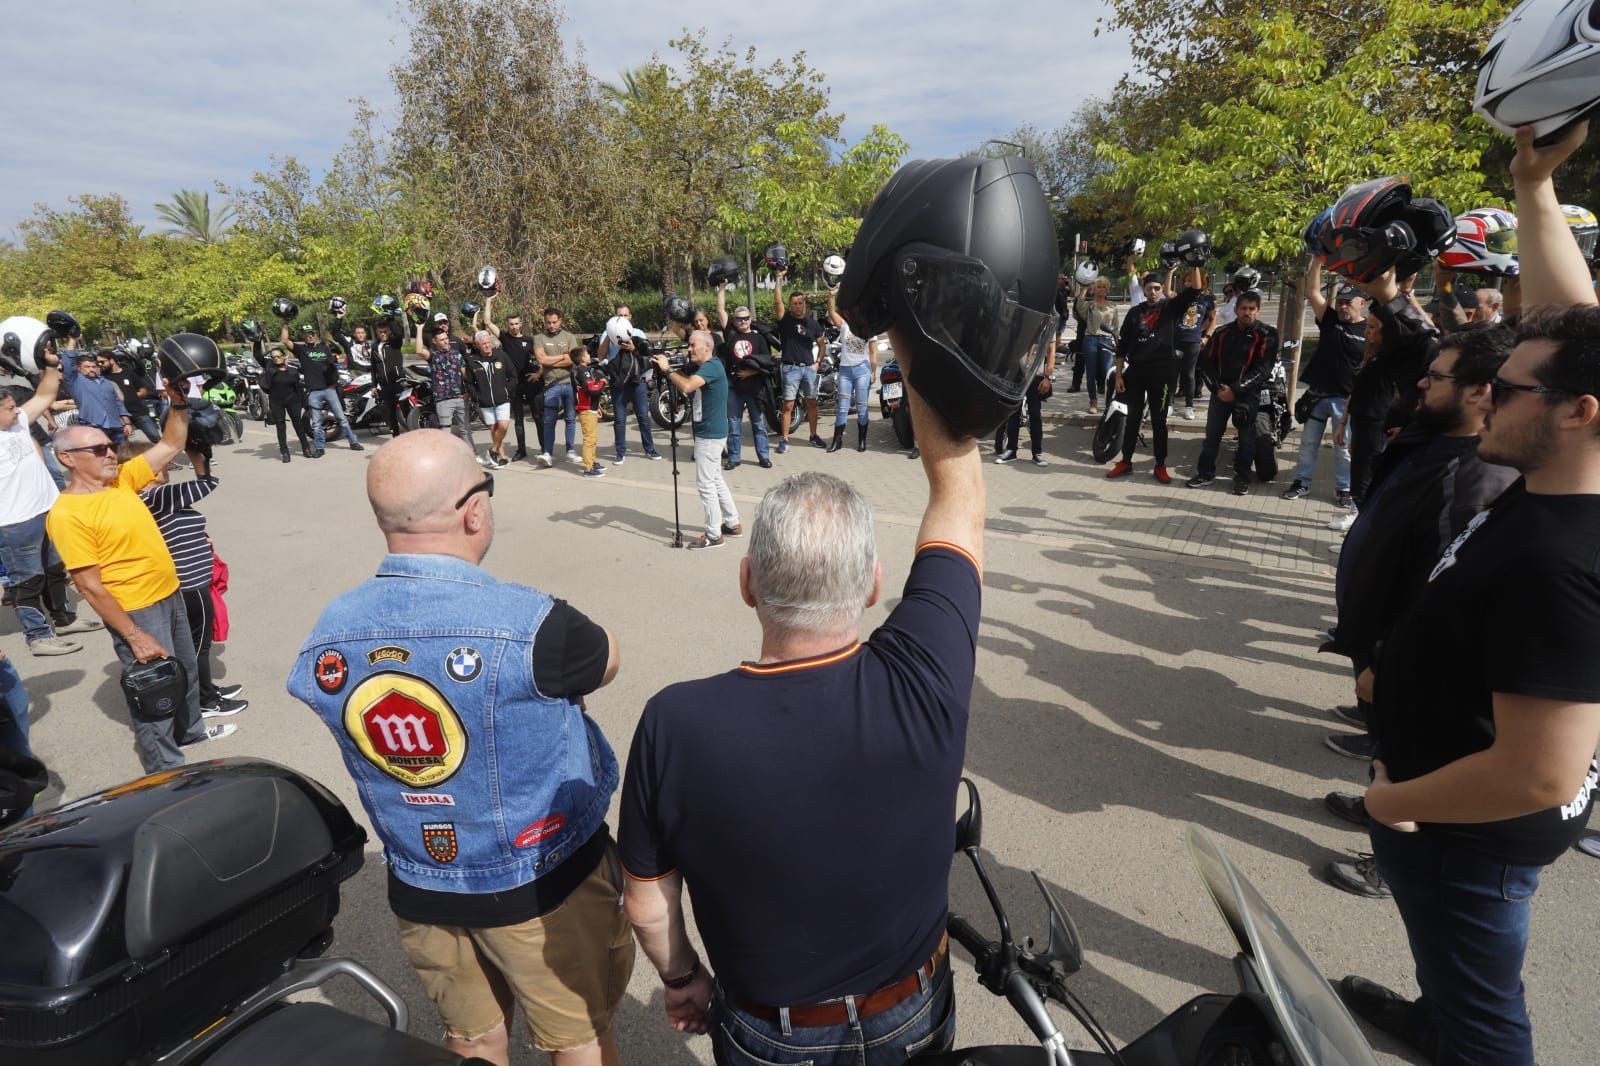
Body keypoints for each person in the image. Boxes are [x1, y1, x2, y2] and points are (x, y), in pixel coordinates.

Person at [619, 334, 983, 1066]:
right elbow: (959, 498)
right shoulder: (925, 674)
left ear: (747, 581)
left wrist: (683, 978)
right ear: (876, 583)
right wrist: (914, 347)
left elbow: (646, 899)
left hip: (767, 1030)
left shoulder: (674, 722)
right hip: (912, 1009)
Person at [1337, 123, 1600, 1066]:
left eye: (1512, 388)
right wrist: (1534, 188)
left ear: (1578, 413)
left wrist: (1395, 801)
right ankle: (1431, 1014)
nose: (1491, 396)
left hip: (1470, 838)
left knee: (1490, 1022)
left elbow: (1543, 773)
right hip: (1450, 807)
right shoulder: (1567, 472)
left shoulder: (1561, 563)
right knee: (1453, 976)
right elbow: (1575, 323)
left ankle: (1457, 1031)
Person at [287, 429, 632, 1066]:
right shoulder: (533, 622)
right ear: (474, 510)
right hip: (540, 879)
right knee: (578, 1036)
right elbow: (606, 658)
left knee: (472, 1041)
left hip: (422, 878)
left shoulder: (329, 629)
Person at [1318, 326, 1520, 894]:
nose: (1421, 384)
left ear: (1481, 393)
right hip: (1381, 643)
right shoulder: (1435, 441)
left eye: (1436, 378)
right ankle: (1383, 806)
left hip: (1404, 659)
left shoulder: (1476, 476)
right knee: (1391, 755)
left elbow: (1436, 594)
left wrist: (1384, 659)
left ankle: (1396, 859)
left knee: (1414, 760)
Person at [47, 379, 237, 772]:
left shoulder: (120, 481)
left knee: (182, 670)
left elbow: (170, 445)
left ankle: (191, 731)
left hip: (170, 592)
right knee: (155, 689)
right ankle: (163, 768)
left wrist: (178, 402)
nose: (110, 453)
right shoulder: (68, 514)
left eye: (110, 445)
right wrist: (134, 635)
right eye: (98, 449)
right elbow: (88, 585)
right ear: (67, 459)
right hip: (137, 610)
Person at [120, 439, 248, 719]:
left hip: (190, 579)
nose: (164, 465)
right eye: (157, 462)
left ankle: (207, 691)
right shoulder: (153, 496)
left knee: (195, 643)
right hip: (189, 582)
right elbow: (207, 483)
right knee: (197, 646)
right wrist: (196, 453)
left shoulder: (148, 497)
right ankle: (205, 700)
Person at [1, 345, 100, 656]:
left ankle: (64, 619)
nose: (16, 410)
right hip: (15, 523)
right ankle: (38, 636)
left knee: (55, 569)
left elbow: (44, 395)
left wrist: (48, 365)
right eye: (7, 407)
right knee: (27, 580)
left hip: (48, 511)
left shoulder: (17, 424)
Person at [1329, 269, 1439, 532]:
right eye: (1367, 327)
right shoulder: (1373, 357)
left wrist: (1402, 295)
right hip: (1362, 422)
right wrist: (1344, 421)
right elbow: (1357, 391)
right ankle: (1358, 522)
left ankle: (1363, 526)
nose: (1367, 332)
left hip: (1379, 425)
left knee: (1369, 478)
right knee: (1360, 475)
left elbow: (1426, 336)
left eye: (1372, 328)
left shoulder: (1395, 357)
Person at [1107, 266, 1205, 482]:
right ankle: (1125, 462)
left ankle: (1160, 465)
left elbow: (1196, 290)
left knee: (1159, 421)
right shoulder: (1135, 313)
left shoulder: (1171, 308)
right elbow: (1122, 346)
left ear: (1162, 289)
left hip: (1162, 374)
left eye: (1157, 288)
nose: (1153, 292)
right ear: (1143, 289)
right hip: (1136, 373)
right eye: (1149, 288)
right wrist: (1119, 375)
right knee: (1132, 419)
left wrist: (1195, 263)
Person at [1282, 263, 1365, 502]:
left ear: (1362, 302)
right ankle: (1301, 482)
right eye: (1340, 301)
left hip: (1345, 399)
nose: (1343, 305)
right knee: (1308, 443)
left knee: (1343, 447)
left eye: (1349, 301)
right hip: (1317, 395)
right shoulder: (1330, 320)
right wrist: (1317, 261)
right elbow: (1313, 293)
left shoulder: (1369, 329)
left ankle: (1344, 489)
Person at [1185, 289, 1279, 495]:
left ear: (1258, 311)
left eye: (1252, 309)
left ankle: (1242, 476)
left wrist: (1236, 391)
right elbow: (1206, 363)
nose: (1247, 312)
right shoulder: (1221, 332)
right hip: (1220, 392)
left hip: (1248, 394)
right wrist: (1218, 389)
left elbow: (1264, 369)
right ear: (1235, 310)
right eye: (1243, 308)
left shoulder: (1267, 334)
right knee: (1212, 436)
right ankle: (1205, 473)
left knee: (1246, 438)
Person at [651, 330, 738, 549]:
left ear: (707, 347)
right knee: (715, 478)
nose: (689, 349)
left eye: (692, 345)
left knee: (706, 484)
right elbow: (686, 380)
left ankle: (714, 534)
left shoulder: (711, 367)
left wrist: (667, 369)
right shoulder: (709, 366)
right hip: (712, 432)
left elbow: (687, 386)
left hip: (709, 435)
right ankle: (732, 522)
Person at [284, 321, 362, 455]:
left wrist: (333, 383)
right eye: (307, 334)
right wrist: (285, 324)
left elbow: (332, 366)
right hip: (313, 391)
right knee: (316, 423)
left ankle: (353, 442)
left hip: (329, 389)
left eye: (311, 333)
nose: (310, 336)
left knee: (341, 418)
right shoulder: (302, 350)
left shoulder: (324, 348)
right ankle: (319, 448)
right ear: (303, 336)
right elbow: (285, 340)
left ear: (315, 335)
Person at [772, 271, 827, 452]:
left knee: (811, 403)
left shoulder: (813, 324)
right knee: (788, 404)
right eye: (794, 304)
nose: (798, 306)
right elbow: (777, 302)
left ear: (805, 304)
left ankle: (813, 436)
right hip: (790, 368)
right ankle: (785, 440)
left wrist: (818, 362)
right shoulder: (785, 320)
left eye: (800, 303)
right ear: (790, 306)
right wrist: (779, 279)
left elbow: (821, 344)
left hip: (808, 369)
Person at [597, 312, 660, 464]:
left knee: (643, 416)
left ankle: (649, 449)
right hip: (618, 381)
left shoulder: (638, 333)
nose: (623, 317)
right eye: (620, 314)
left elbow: (646, 355)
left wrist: (633, 348)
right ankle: (620, 452)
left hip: (637, 380)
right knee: (619, 418)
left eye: (625, 314)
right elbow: (600, 356)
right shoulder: (608, 332)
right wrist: (609, 335)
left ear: (630, 316)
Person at [718, 300, 775, 470]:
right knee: (734, 424)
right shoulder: (731, 336)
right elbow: (720, 310)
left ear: (750, 319)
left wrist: (752, 372)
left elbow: (768, 362)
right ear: (734, 321)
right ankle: (734, 457)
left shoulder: (759, 338)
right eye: (739, 319)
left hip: (754, 388)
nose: (742, 321)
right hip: (734, 387)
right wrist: (721, 287)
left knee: (758, 423)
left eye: (746, 318)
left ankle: (763, 456)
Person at [481, 296, 536, 459]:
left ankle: (545, 449)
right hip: (514, 384)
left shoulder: (530, 340)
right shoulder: (505, 338)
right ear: (508, 325)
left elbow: (540, 358)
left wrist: (538, 373)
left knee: (538, 416)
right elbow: (487, 321)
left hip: (530, 382)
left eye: (516, 324)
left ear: (521, 324)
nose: (514, 327)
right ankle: (521, 450)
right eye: (511, 324)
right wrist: (489, 300)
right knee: (518, 419)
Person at [825, 285, 877, 453]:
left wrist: (874, 371)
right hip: (845, 372)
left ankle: (862, 441)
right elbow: (832, 313)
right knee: (842, 407)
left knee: (862, 407)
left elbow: (873, 351)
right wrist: (832, 296)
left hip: (862, 370)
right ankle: (837, 441)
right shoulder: (845, 325)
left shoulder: (869, 327)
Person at [414, 317, 477, 452]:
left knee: (465, 429)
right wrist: (419, 329)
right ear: (434, 342)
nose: (445, 341)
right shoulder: (433, 356)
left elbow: (464, 374)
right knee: (445, 431)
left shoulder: (457, 354)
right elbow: (419, 350)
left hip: (460, 397)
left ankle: (472, 454)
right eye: (442, 340)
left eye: (446, 338)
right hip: (443, 399)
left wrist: (468, 391)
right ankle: (447, 457)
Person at [994, 335, 1056, 465]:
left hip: (1036, 375)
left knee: (1035, 414)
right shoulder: (1023, 315)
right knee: (1013, 413)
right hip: (1016, 373)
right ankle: (1011, 450)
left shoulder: (1049, 321)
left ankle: (1037, 453)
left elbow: (1051, 350)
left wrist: (1047, 378)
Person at [533, 307, 580, 467]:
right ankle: (547, 453)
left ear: (560, 320)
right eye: (548, 322)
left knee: (571, 419)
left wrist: (549, 359)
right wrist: (562, 356)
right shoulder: (539, 338)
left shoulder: (569, 337)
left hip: (568, 384)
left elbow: (573, 360)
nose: (551, 325)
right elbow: (541, 359)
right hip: (551, 385)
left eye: (554, 322)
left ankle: (571, 451)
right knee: (549, 421)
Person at [61, 350, 133, 445]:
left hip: (115, 426)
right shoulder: (76, 382)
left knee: (126, 456)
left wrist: (127, 423)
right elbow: (67, 366)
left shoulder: (107, 383)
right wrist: (72, 341)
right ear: (79, 368)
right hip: (93, 426)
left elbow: (119, 404)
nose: (91, 369)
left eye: (94, 367)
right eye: (87, 367)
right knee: (101, 457)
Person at [466, 331, 514, 468]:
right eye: (483, 344)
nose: (487, 346)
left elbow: (513, 376)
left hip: (502, 399)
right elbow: (469, 382)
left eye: (488, 343)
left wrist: (507, 390)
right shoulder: (472, 361)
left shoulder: (502, 356)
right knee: (494, 429)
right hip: (485, 402)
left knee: (503, 427)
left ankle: (492, 450)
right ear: (477, 345)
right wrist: (476, 396)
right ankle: (502, 457)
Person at [1075, 277, 1120, 415]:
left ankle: (1108, 403)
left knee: (1108, 373)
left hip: (1106, 340)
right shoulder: (1090, 305)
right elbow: (1078, 305)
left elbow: (1115, 327)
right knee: (1091, 372)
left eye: (1104, 287)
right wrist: (1084, 287)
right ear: (1094, 289)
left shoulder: (1113, 306)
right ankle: (1093, 401)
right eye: (1099, 287)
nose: (1102, 289)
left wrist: (1118, 343)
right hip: (1091, 339)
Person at [1174, 273, 1217, 420]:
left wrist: (1206, 337)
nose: (1189, 283)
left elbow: (1213, 319)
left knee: (1188, 373)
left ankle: (1189, 406)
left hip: (1193, 340)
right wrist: (1171, 272)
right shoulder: (1180, 297)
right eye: (1186, 281)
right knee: (1173, 372)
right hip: (1176, 339)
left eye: (1192, 280)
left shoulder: (1207, 299)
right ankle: (1168, 404)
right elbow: (1167, 292)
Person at [101, 349, 160, 442]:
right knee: (123, 444)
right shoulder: (103, 378)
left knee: (155, 436)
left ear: (112, 360)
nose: (100, 364)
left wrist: (134, 395)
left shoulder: (128, 372)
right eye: (98, 362)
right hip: (119, 416)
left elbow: (143, 389)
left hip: (138, 412)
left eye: (102, 361)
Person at [572, 345, 608, 478]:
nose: (589, 355)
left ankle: (592, 462)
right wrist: (602, 383)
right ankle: (588, 468)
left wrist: (596, 407)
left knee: (593, 438)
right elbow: (591, 390)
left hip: (591, 409)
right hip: (586, 409)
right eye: (586, 354)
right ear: (581, 358)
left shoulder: (585, 370)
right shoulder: (582, 371)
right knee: (589, 439)